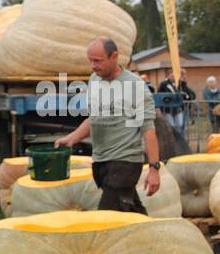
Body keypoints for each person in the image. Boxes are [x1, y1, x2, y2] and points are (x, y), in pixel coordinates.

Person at [54, 37, 160, 213]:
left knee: (107, 216)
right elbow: (94, 119)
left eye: (98, 60)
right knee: (131, 211)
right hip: (102, 162)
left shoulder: (134, 85)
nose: (93, 66)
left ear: (115, 56)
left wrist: (154, 168)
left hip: (125, 162)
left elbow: (148, 129)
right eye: (90, 60)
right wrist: (72, 138)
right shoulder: (94, 80)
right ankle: (153, 238)